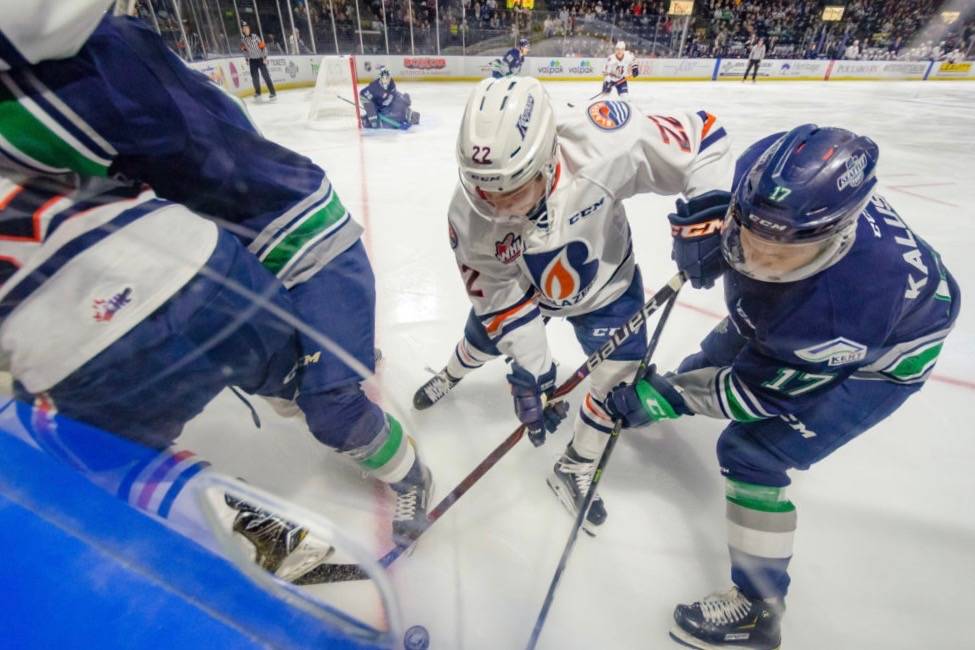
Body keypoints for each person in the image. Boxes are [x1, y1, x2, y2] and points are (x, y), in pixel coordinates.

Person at [0, 3, 433, 552]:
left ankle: (407, 471)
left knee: (331, 411)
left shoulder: (85, 72)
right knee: (301, 394)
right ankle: (330, 403)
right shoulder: (70, 77)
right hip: (234, 258)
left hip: (305, 240)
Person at [603, 125, 960, 649]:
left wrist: (667, 396)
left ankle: (758, 611)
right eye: (751, 235)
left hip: (886, 352)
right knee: (715, 354)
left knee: (751, 452)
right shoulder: (767, 171)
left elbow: (755, 394)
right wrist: (708, 225)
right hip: (820, 312)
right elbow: (725, 190)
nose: (758, 258)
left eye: (783, 251)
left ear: (835, 234)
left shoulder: (842, 310)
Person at [413, 78, 732, 532]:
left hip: (607, 290)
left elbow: (703, 137)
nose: (496, 208)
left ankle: (576, 462)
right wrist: (534, 373)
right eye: (485, 190)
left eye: (512, 190)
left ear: (548, 161)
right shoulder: (468, 215)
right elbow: (500, 299)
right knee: (479, 338)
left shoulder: (604, 140)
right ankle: (452, 372)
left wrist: (707, 215)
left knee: (615, 381)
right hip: (530, 294)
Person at [240, 21, 276, 100]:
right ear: (242, 30)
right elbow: (244, 50)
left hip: (260, 59)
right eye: (244, 29)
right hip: (252, 60)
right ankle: (258, 92)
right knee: (254, 77)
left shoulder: (255, 36)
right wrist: (246, 59)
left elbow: (263, 47)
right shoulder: (243, 40)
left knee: (265, 75)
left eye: (246, 28)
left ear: (249, 29)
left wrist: (264, 57)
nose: (245, 30)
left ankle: (272, 92)